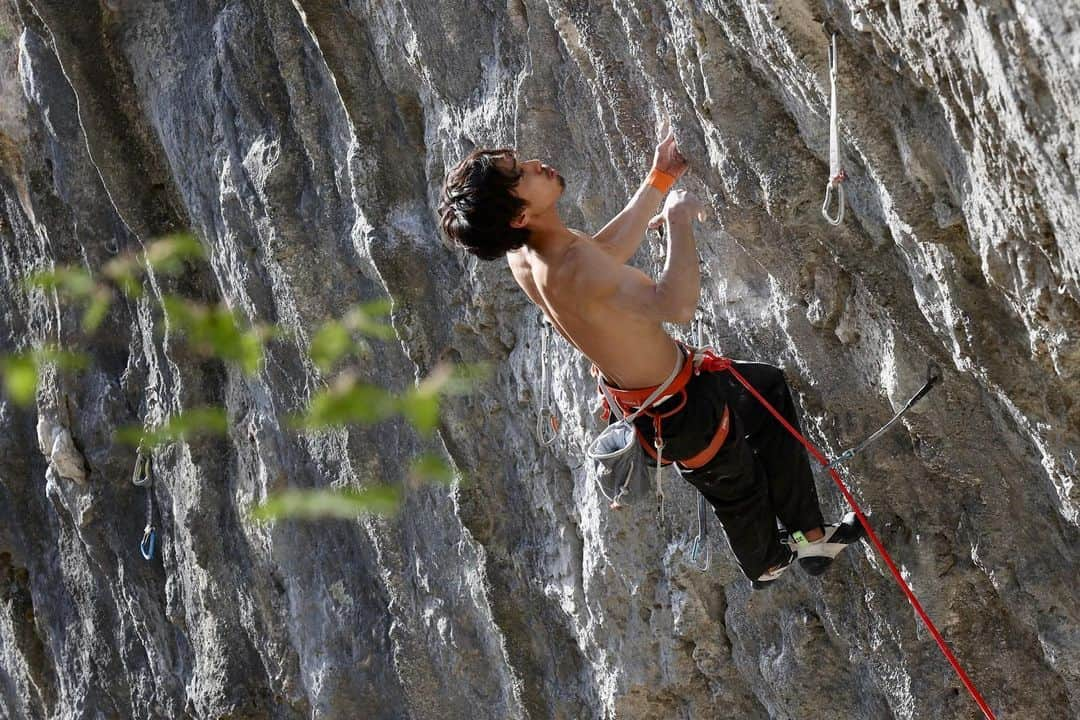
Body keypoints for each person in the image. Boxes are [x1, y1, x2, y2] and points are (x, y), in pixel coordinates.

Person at [437, 123, 863, 588]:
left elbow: (605, 252)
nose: (535, 164)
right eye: (521, 173)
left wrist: (659, 180)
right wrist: (680, 223)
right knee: (738, 489)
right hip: (684, 414)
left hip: (657, 400)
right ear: (519, 216)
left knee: (767, 392)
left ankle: (811, 540)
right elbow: (675, 306)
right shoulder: (575, 268)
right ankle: (768, 562)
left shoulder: (530, 257)